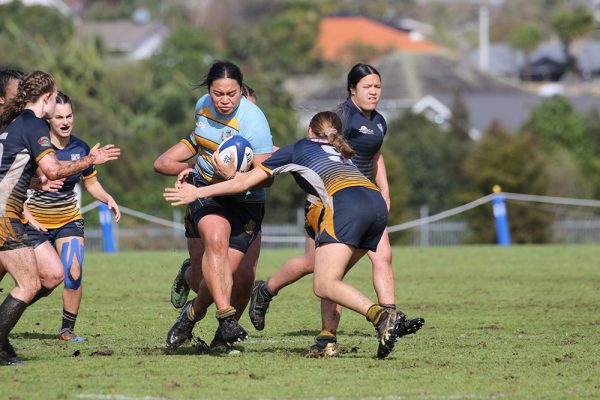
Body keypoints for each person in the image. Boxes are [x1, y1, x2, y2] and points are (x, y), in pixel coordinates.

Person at [165, 111, 415, 359]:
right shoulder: (341, 152)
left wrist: (197, 193)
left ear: (309, 132)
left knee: (324, 284)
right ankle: (327, 338)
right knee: (333, 280)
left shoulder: (297, 149)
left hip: (347, 206)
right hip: (375, 204)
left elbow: (244, 184)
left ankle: (382, 317)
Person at [247, 63, 423, 357]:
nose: (374, 92)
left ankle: (390, 318)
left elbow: (376, 155)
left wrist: (385, 189)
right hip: (328, 201)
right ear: (351, 90)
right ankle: (267, 291)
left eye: (377, 86)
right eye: (367, 87)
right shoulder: (341, 116)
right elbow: (312, 151)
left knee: (382, 256)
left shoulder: (379, 121)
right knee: (315, 266)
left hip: (362, 199)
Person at [0, 70, 120, 365]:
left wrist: (34, 183)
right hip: (5, 213)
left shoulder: (15, 124)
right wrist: (91, 159)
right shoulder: (32, 124)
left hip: (10, 211)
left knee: (53, 273)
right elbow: (54, 169)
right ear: (48, 98)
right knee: (28, 285)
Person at [153, 61, 273, 349]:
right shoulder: (202, 106)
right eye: (218, 93)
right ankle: (226, 317)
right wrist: (191, 169)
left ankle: (192, 318)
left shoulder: (254, 121)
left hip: (246, 201)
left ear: (241, 91)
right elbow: (199, 146)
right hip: (207, 191)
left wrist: (237, 176)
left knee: (234, 277)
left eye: (231, 94)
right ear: (209, 90)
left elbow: (267, 180)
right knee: (216, 241)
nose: (224, 100)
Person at [23, 92, 121, 342]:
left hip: (68, 219)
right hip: (36, 221)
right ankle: (12, 308)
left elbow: (92, 183)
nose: (65, 122)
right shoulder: (36, 147)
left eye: (69, 116)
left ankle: (67, 329)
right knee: (45, 281)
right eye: (59, 117)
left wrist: (107, 198)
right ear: (48, 120)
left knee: (73, 272)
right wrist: (36, 183)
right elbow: (18, 182)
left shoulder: (81, 148)